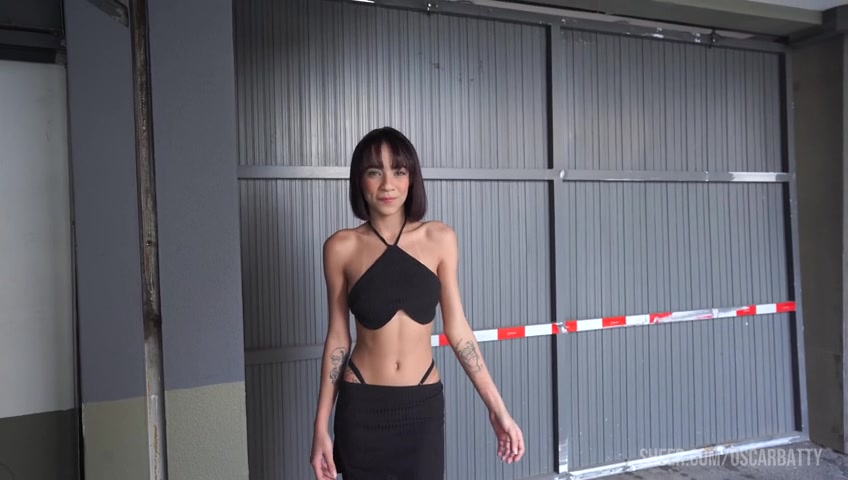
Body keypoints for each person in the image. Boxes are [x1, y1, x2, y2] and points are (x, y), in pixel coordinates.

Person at [309, 126, 525, 479]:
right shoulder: (340, 248)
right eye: (374, 172)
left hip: (422, 409)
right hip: (361, 407)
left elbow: (459, 330)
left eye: (399, 171)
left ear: (412, 178)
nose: (387, 185)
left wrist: (497, 408)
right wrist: (320, 426)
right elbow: (337, 338)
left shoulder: (439, 239)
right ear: (359, 180)